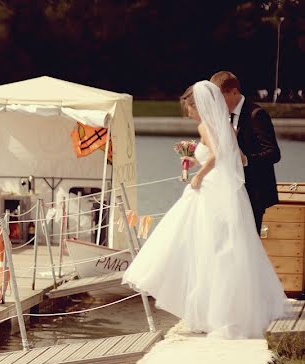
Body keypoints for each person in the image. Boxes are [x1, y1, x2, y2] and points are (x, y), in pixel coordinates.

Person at [122, 81, 287, 339]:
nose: (187, 113)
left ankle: (209, 313)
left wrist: (199, 175)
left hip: (211, 190)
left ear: (198, 107)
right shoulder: (227, 126)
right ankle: (219, 312)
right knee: (223, 251)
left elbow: (219, 154)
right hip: (229, 191)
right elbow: (230, 153)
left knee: (202, 249)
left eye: (189, 108)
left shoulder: (207, 125)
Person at [209, 71, 281, 235]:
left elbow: (273, 153)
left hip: (254, 192)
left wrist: (246, 159)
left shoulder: (257, 115)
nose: (217, 104)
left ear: (234, 91)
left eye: (220, 98)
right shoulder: (223, 116)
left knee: (249, 243)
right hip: (228, 191)